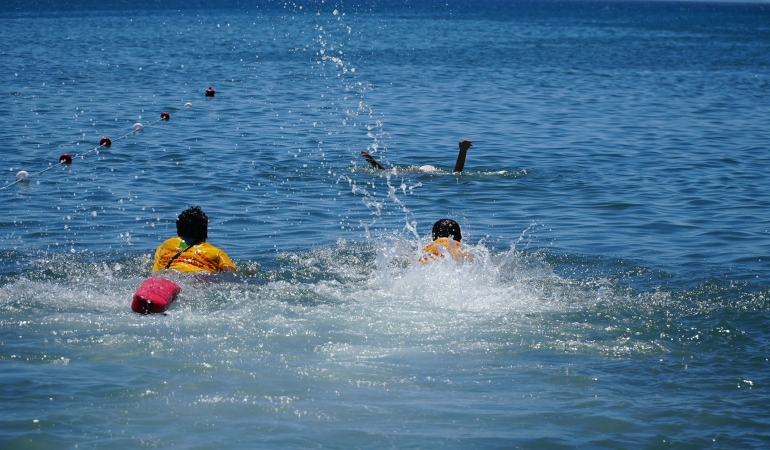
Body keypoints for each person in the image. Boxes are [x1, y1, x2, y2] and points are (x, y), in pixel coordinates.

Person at [152, 206, 236, 273]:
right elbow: (231, 274)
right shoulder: (217, 253)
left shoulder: (165, 245)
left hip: (165, 278)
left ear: (178, 232)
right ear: (206, 233)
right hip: (197, 280)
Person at [360, 139, 473, 173]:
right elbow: (457, 172)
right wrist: (463, 151)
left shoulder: (411, 173)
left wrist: (373, 162)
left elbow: (385, 171)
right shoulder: (438, 174)